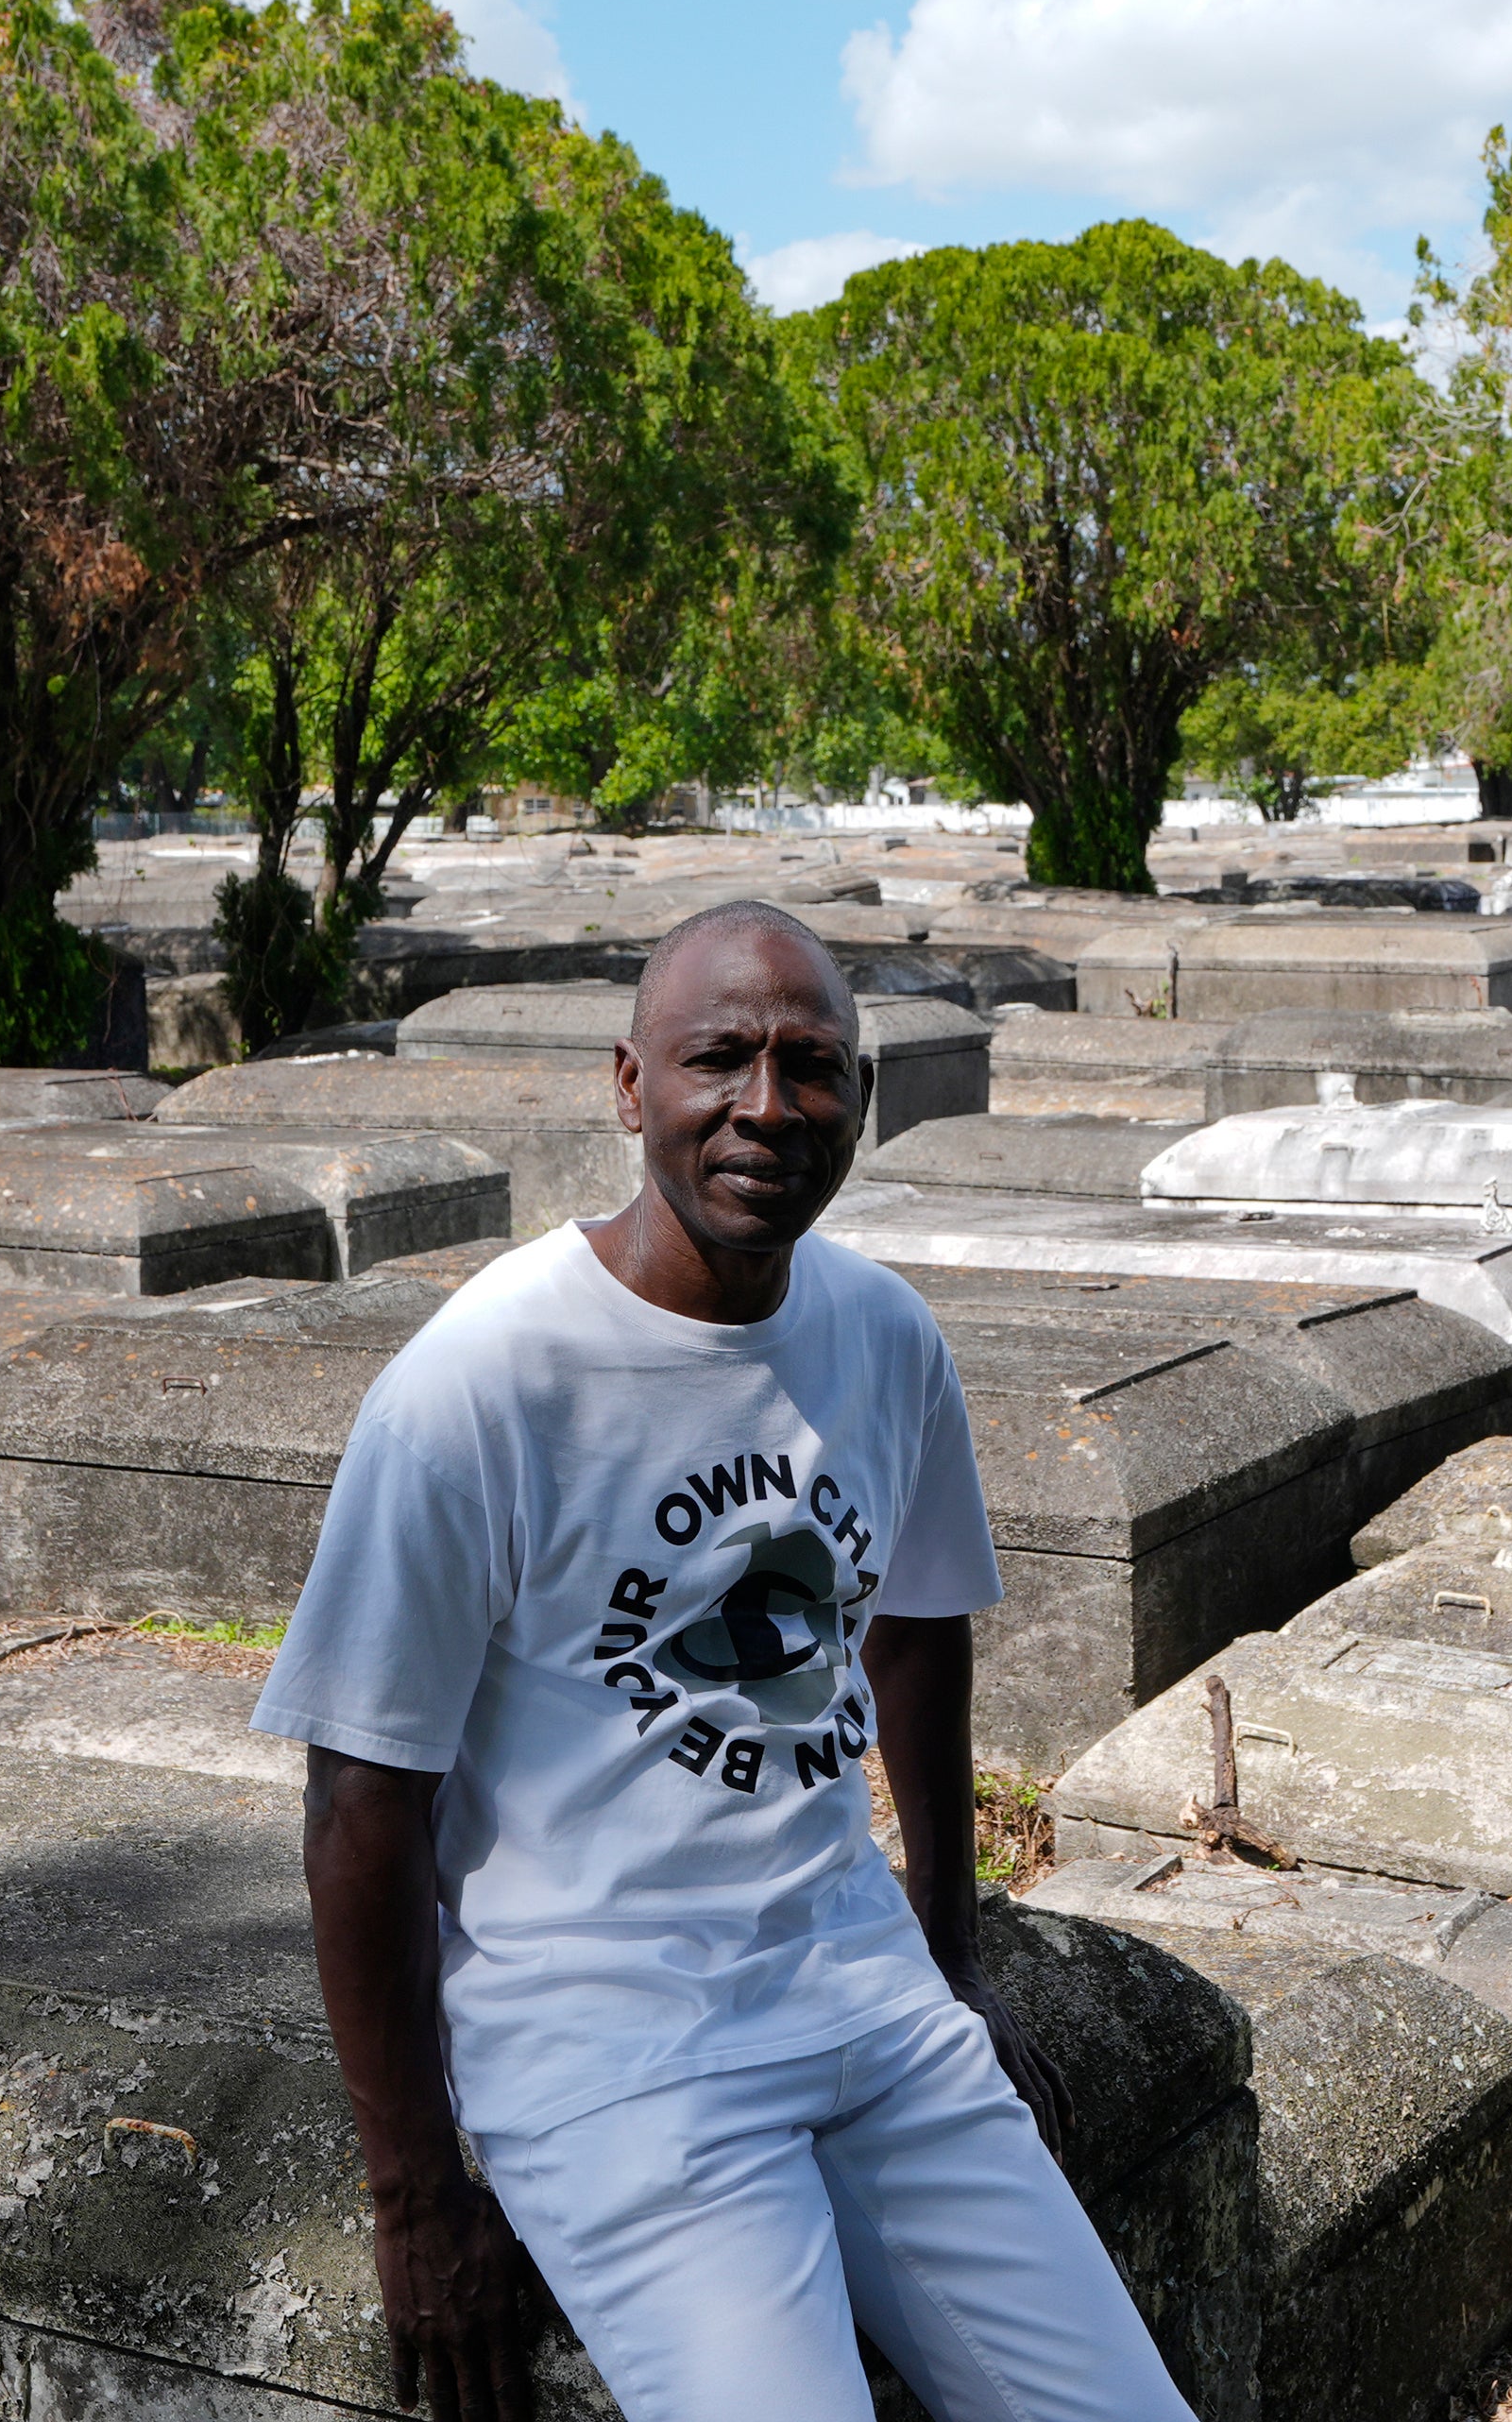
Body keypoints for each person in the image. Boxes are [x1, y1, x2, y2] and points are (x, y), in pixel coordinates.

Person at [253, 900, 1198, 2422]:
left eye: (812, 1067)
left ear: (863, 1103)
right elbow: (359, 1802)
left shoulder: (884, 1340)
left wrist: (952, 1954)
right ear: (633, 1086)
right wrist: (414, 2188)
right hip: (620, 2049)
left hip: (865, 2001)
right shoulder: (481, 1386)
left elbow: (914, 1636)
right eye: (721, 1062)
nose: (768, 1107)